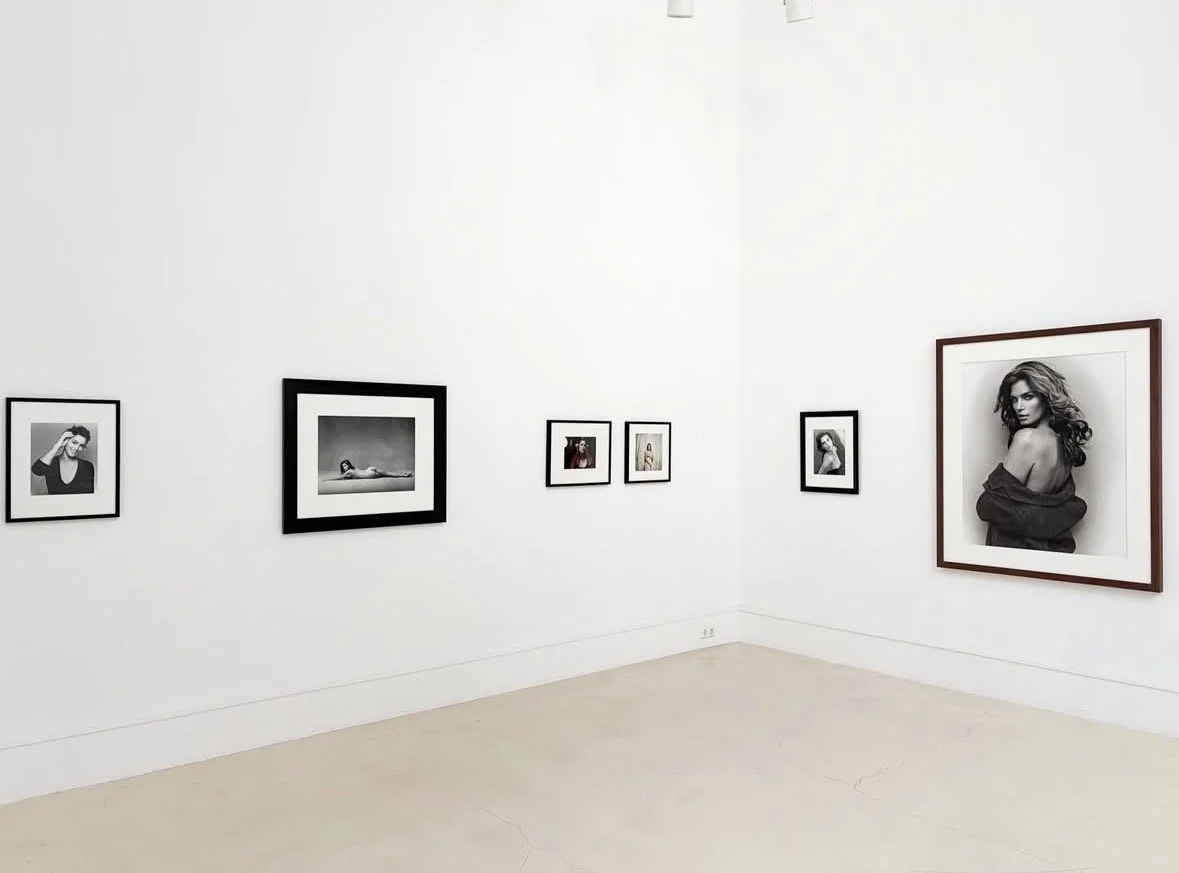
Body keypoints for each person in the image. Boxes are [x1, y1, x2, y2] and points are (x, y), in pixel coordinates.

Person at [976, 360, 1091, 552]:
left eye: (1027, 397)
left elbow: (986, 505)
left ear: (1046, 397)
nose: (1018, 407)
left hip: (1014, 551)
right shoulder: (1064, 443)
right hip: (1051, 552)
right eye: (1014, 399)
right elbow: (1050, 508)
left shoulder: (1026, 439)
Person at [32, 426, 95, 495]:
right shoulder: (50, 463)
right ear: (66, 440)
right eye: (74, 442)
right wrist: (57, 446)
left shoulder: (87, 466)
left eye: (81, 446)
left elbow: (89, 496)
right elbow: (36, 470)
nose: (76, 448)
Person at [325, 459, 413, 481]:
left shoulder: (348, 472)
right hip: (369, 469)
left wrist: (328, 479)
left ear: (348, 465)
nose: (344, 467)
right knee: (387, 473)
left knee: (387, 474)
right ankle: (404, 474)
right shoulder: (353, 469)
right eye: (343, 466)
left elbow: (338, 478)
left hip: (370, 474)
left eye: (345, 465)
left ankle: (404, 475)